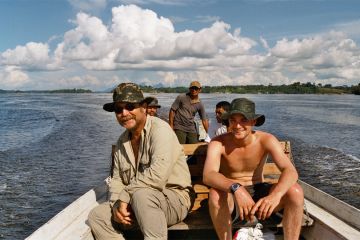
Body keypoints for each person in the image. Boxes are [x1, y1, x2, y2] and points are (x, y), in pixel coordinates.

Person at [88, 83, 194, 240]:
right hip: (136, 202)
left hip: (174, 200)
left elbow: (157, 175)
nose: (124, 113)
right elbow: (117, 179)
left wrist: (125, 196)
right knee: (97, 216)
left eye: (130, 106)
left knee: (142, 195)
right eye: (118, 109)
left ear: (144, 107)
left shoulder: (160, 130)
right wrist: (117, 204)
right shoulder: (121, 142)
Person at [203, 98, 304, 240]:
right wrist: (236, 188)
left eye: (243, 120)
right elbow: (208, 175)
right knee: (215, 194)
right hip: (232, 198)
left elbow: (290, 170)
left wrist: (275, 195)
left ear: (253, 121)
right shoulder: (218, 143)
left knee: (296, 191)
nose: (237, 126)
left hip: (260, 193)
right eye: (233, 120)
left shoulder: (266, 140)